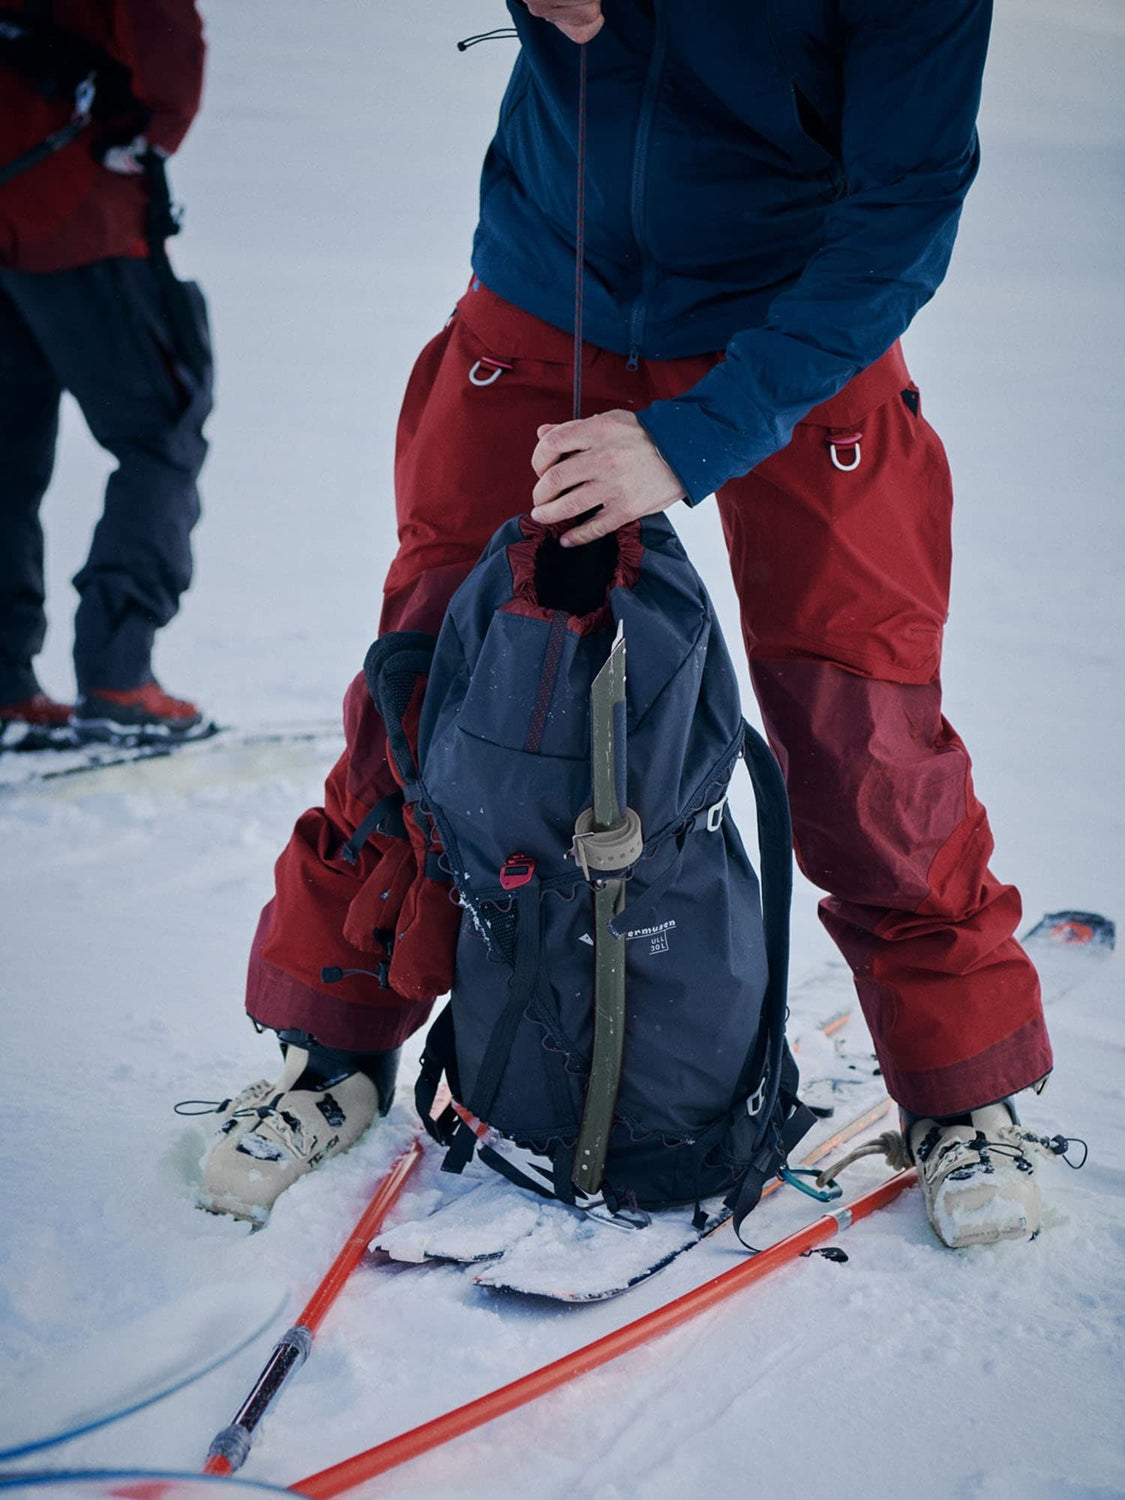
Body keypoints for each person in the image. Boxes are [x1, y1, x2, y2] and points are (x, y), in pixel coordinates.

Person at [199, 0, 1057, 1249]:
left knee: (858, 721)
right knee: (433, 677)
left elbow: (909, 201)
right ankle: (327, 1048)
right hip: (555, 284)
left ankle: (966, 1094)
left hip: (793, 324)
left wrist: (694, 437)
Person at [0, 0, 212, 748]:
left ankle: (4, 686)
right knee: (161, 433)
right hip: (78, 207)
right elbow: (162, 38)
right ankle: (119, 677)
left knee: (7, 456)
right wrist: (151, 126)